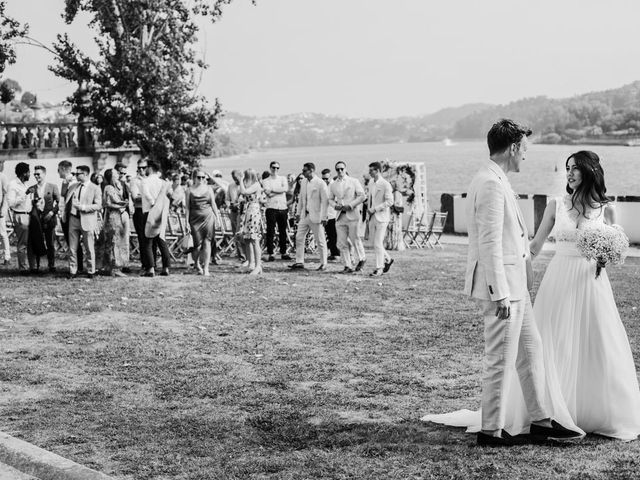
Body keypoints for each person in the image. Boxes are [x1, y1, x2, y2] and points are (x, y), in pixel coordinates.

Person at [423, 119, 583, 446]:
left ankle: (540, 421)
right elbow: (489, 243)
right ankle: (492, 431)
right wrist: (500, 295)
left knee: (531, 351)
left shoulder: (497, 178)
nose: (526, 155)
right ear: (513, 148)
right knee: (500, 359)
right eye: (524, 149)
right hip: (504, 290)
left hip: (515, 285)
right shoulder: (492, 183)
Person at [525, 150, 640, 440]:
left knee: (596, 341)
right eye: (567, 169)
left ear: (590, 171)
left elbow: (613, 249)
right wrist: (518, 266)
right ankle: (552, 411)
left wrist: (605, 256)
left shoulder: (606, 210)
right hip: (559, 279)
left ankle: (595, 410)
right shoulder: (555, 205)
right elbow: (536, 245)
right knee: (555, 340)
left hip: (591, 283)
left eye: (575, 168)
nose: (569, 173)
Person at [328, 161, 366, 273]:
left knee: (355, 239)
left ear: (345, 169)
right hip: (340, 216)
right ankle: (347, 265)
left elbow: (362, 196)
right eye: (337, 169)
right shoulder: (333, 184)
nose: (340, 171)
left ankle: (362, 258)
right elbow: (330, 199)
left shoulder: (353, 181)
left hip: (352, 214)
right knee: (341, 242)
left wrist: (351, 205)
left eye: (342, 169)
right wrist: (335, 206)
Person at [289, 163, 328, 271]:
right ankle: (299, 261)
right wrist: (297, 213)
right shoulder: (304, 182)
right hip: (305, 215)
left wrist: (324, 217)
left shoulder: (320, 183)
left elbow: (325, 201)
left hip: (316, 216)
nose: (303, 172)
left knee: (320, 240)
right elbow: (301, 199)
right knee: (299, 237)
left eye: (305, 170)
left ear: (311, 170)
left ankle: (323, 263)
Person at [67, 165, 102, 279]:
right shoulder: (74, 186)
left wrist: (83, 207)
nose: (75, 176)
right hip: (73, 219)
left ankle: (91, 271)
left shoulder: (95, 188)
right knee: (72, 248)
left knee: (89, 247)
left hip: (87, 219)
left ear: (86, 174)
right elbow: (65, 198)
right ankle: (73, 270)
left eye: (78, 174)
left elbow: (98, 205)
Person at [185, 169, 220, 276]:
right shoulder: (189, 191)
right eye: (198, 177)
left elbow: (213, 204)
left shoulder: (209, 189)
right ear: (194, 178)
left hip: (208, 218)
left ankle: (206, 268)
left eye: (203, 177)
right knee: (196, 245)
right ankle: (197, 264)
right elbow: (187, 208)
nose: (201, 179)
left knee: (207, 242)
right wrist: (186, 222)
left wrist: (217, 218)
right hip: (194, 219)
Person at [141, 160, 172, 277]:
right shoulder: (162, 182)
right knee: (161, 239)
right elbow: (168, 195)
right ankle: (166, 267)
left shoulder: (145, 181)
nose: (144, 169)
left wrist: (154, 203)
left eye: (146, 167)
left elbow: (146, 194)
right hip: (161, 212)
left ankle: (150, 268)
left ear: (150, 168)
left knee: (147, 241)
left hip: (149, 211)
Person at [102, 168, 132, 277]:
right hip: (113, 216)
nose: (117, 175)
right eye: (115, 174)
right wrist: (123, 204)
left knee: (115, 240)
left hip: (116, 215)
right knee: (115, 241)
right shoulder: (109, 187)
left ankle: (112, 266)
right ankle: (114, 267)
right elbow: (109, 202)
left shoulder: (115, 186)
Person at [366, 162, 394, 276]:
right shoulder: (371, 182)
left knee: (378, 243)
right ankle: (388, 258)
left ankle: (379, 268)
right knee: (374, 243)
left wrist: (375, 209)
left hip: (382, 217)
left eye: (371, 170)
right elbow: (370, 198)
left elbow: (390, 201)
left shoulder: (385, 184)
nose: (369, 172)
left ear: (377, 170)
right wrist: (369, 211)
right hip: (372, 216)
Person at [31, 165, 60, 272]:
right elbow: (27, 200)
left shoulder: (53, 186)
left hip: (50, 219)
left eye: (38, 174)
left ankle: (51, 265)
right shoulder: (32, 188)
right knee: (37, 241)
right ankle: (36, 265)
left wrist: (52, 213)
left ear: (44, 174)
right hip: (37, 220)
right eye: (35, 174)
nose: (36, 176)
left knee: (50, 243)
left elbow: (58, 202)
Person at [7, 162, 34, 274]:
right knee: (22, 243)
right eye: (28, 172)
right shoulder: (13, 185)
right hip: (20, 216)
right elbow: (11, 203)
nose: (30, 174)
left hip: (28, 215)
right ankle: (23, 268)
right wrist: (25, 194)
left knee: (30, 243)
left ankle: (32, 267)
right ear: (24, 173)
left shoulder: (24, 184)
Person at [263, 161, 292, 262]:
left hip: (282, 207)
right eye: (273, 167)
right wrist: (279, 190)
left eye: (277, 168)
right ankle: (271, 253)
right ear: (270, 168)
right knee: (270, 231)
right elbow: (267, 192)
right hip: (271, 207)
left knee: (283, 231)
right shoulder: (266, 180)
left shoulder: (283, 178)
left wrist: (273, 190)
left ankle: (283, 252)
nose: (275, 169)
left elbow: (285, 189)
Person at [58, 160, 84, 273]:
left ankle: (78, 266)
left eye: (58, 170)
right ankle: (76, 266)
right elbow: (63, 194)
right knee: (71, 243)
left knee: (74, 243)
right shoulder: (66, 181)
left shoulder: (74, 182)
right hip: (65, 215)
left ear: (63, 169)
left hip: (71, 216)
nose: (58, 172)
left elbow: (70, 201)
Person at [237, 168, 263, 275]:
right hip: (248, 211)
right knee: (247, 239)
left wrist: (240, 180)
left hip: (253, 211)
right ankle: (250, 264)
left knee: (254, 239)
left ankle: (258, 266)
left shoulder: (256, 185)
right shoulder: (250, 185)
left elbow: (243, 192)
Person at [130, 158, 149, 272]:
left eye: (144, 168)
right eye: (139, 168)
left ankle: (152, 263)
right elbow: (135, 197)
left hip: (151, 210)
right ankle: (145, 263)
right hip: (140, 210)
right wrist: (150, 197)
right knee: (142, 238)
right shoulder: (134, 180)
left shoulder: (151, 179)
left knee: (152, 237)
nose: (141, 170)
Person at [321, 168, 341, 261]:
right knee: (329, 235)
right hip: (326, 214)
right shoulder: (323, 186)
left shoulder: (335, 185)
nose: (325, 180)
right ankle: (333, 253)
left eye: (326, 178)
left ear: (330, 176)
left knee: (334, 235)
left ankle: (336, 253)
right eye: (323, 178)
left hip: (334, 214)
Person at [227, 170, 246, 262]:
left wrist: (239, 204)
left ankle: (246, 255)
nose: (235, 180)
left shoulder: (245, 185)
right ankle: (241, 256)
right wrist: (229, 205)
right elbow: (227, 199)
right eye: (234, 179)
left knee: (242, 233)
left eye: (236, 178)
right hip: (233, 211)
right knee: (236, 234)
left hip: (243, 212)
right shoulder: (231, 186)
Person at [385, 179, 405, 251]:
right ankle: (392, 244)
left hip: (394, 214)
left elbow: (395, 203)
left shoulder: (396, 193)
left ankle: (394, 245)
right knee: (392, 229)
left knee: (393, 229)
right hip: (395, 214)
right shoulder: (397, 192)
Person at [0, 159, 10, 265]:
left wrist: (3, 208)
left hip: (0, 210)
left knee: (3, 233)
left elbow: (5, 194)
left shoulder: (2, 177)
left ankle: (7, 256)